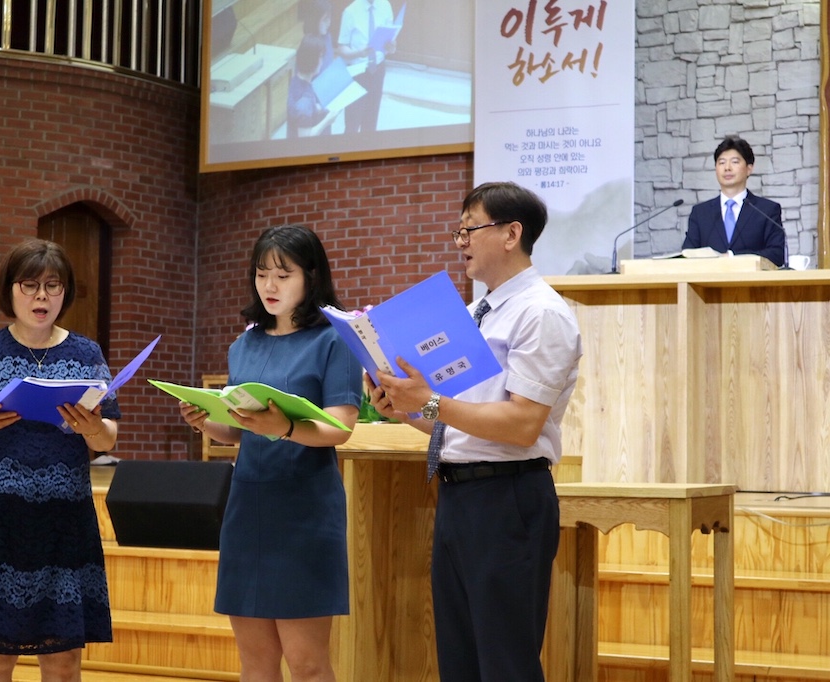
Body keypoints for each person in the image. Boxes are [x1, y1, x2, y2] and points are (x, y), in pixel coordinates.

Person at [365, 182, 582, 681]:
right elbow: (459, 421)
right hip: (458, 497)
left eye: (470, 229)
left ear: (511, 234)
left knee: (505, 664)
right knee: (459, 663)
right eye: (458, 231)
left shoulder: (541, 313)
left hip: (507, 499)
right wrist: (403, 409)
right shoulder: (471, 315)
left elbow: (522, 424)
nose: (460, 241)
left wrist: (429, 401)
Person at [180, 224, 362, 682]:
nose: (270, 286)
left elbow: (340, 427)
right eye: (262, 274)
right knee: (255, 661)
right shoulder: (244, 344)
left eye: (283, 275)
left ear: (311, 276)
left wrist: (285, 428)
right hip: (249, 508)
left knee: (307, 662)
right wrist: (205, 419)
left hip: (305, 510)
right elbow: (236, 430)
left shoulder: (334, 340)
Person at [0, 238, 118, 682]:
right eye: (30, 285)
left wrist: (90, 427)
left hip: (63, 525)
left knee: (64, 664)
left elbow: (108, 437)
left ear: (65, 293)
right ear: (10, 289)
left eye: (53, 286)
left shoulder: (87, 355)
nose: (42, 296)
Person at [682, 135, 785, 266]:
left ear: (749, 169)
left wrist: (732, 257)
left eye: (735, 162)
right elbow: (688, 254)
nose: (727, 168)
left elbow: (776, 254)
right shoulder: (700, 213)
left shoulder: (766, 210)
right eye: (721, 162)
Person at [338, 0, 396, 133]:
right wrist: (358, 53)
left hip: (378, 69)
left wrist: (391, 47)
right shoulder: (350, 12)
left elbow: (390, 40)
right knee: (352, 122)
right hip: (357, 73)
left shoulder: (385, 6)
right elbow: (341, 48)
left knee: (371, 120)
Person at [287, 34, 330, 138]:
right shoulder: (304, 100)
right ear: (312, 60)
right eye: (320, 57)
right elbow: (305, 137)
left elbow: (300, 112)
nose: (322, 61)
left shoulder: (296, 80)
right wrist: (328, 120)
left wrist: (317, 108)